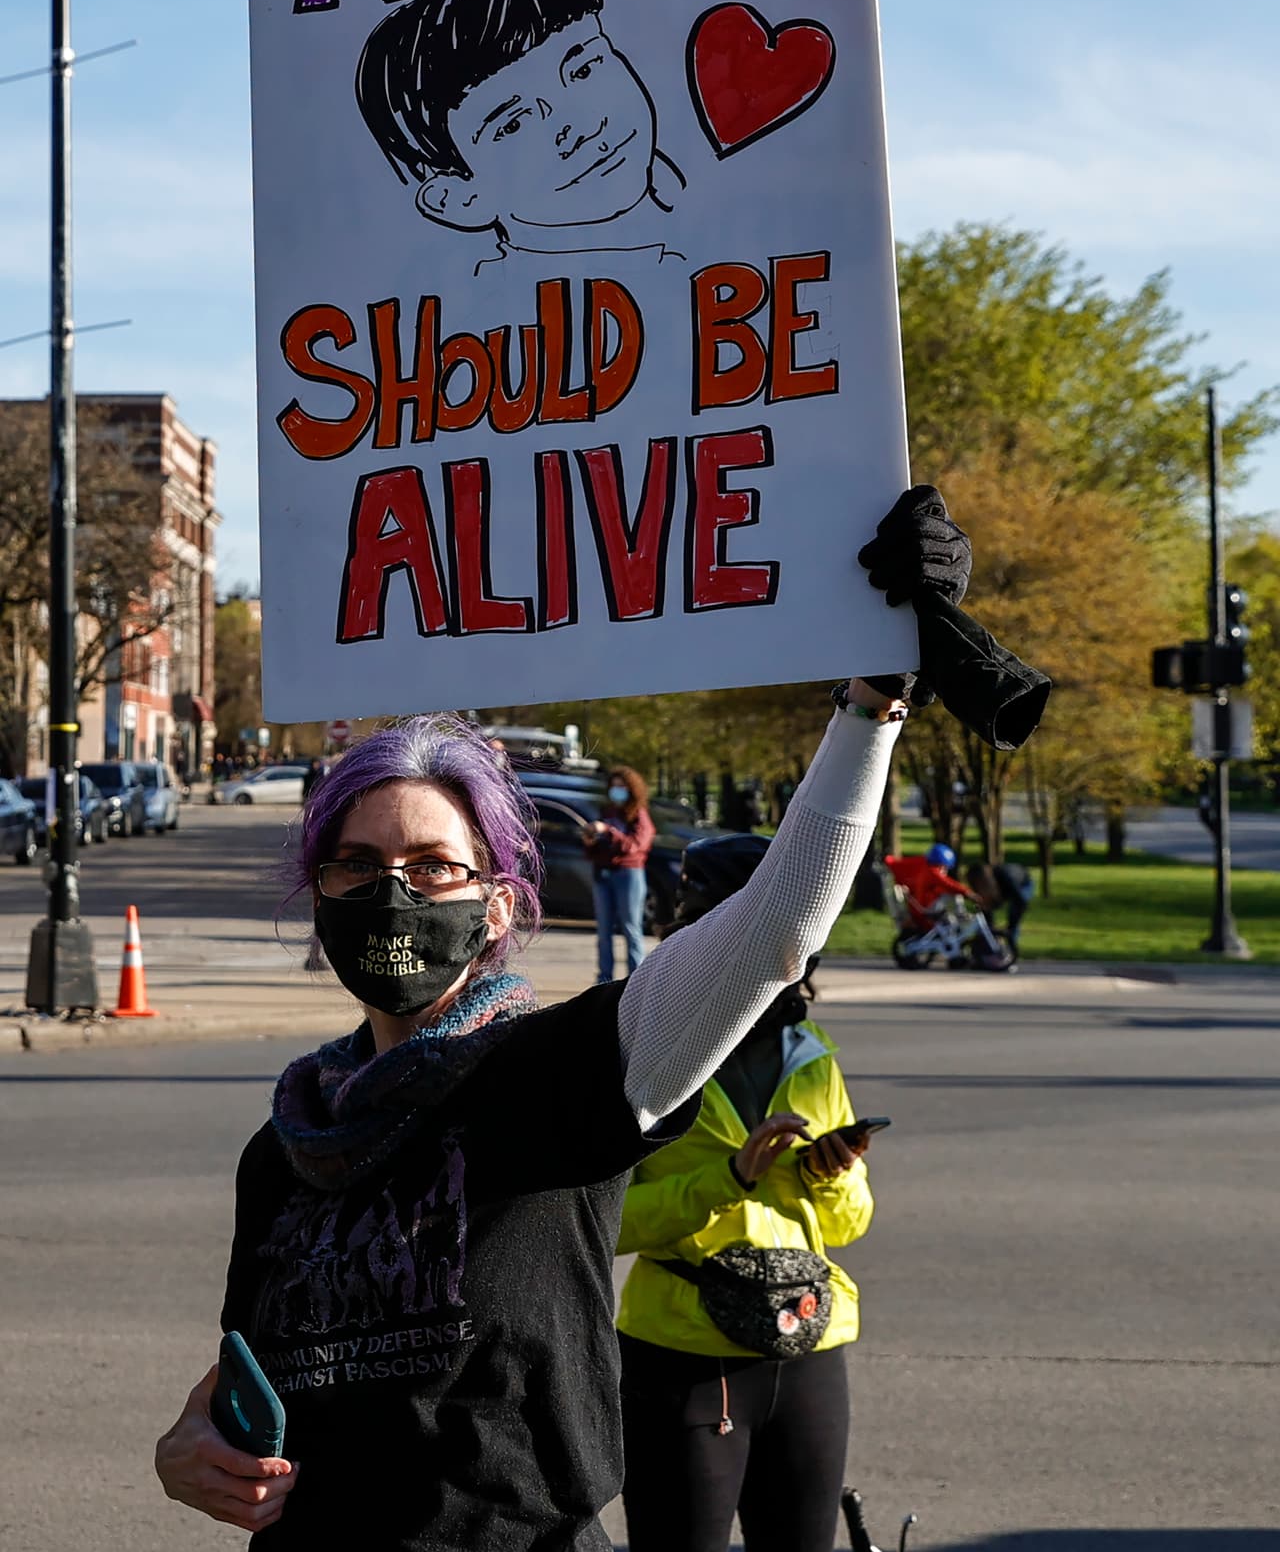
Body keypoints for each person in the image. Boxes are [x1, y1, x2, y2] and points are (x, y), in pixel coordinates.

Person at [152, 486, 972, 1550]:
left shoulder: (562, 1075)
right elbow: (254, 1379)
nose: (392, 893)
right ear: (318, 892)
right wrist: (187, 1443)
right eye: (356, 864)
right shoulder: (287, 1144)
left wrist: (871, 697)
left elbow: (778, 923)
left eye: (433, 866)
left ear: (496, 904)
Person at [616, 834, 878, 1552]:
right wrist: (727, 1180)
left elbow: (850, 1222)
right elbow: (602, 1224)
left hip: (808, 1344)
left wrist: (833, 1173)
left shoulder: (813, 1052)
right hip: (685, 1355)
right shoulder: (648, 1048)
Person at [356, 0, 684, 274]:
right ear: (456, 198)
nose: (580, 126)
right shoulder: (496, 309)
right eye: (512, 125)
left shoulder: (698, 212)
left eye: (583, 70)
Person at [585, 764, 655, 983]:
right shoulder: (607, 813)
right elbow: (597, 849)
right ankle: (603, 981)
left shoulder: (639, 816)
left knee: (631, 929)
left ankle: (637, 980)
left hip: (628, 875)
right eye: (613, 786)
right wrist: (591, 841)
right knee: (604, 933)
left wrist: (609, 832)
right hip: (603, 875)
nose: (617, 791)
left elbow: (634, 845)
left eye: (622, 786)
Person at [883, 841, 978, 921]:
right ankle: (961, 916)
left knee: (947, 898)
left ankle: (959, 917)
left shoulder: (925, 867)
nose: (945, 871)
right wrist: (967, 892)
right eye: (945, 867)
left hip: (921, 905)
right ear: (941, 863)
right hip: (925, 908)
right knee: (955, 896)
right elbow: (948, 884)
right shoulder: (933, 873)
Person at [966, 859, 1035, 957]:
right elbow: (980, 907)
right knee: (985, 919)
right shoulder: (978, 882)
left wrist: (1010, 928)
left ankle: (1010, 951)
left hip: (1022, 885)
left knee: (1013, 917)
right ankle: (984, 950)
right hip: (1003, 888)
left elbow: (1020, 901)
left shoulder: (1006, 876)